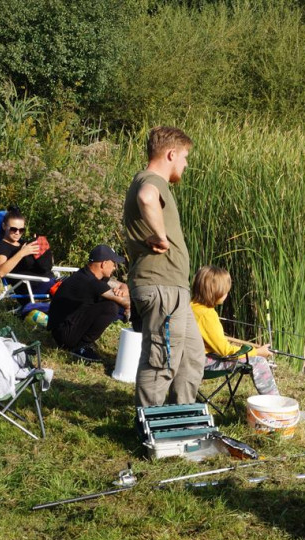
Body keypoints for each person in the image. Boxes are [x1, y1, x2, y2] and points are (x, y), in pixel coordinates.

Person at [122, 126, 204, 407]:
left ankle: (181, 418)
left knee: (192, 356)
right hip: (161, 285)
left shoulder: (154, 182)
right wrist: (160, 236)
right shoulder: (150, 180)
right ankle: (150, 426)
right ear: (171, 154)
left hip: (173, 288)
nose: (186, 164)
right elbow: (146, 197)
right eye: (184, 157)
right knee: (161, 362)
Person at [190, 265, 280, 396]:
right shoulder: (207, 315)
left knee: (252, 356)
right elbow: (226, 352)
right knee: (259, 361)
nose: (227, 294)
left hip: (190, 359)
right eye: (226, 291)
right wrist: (257, 352)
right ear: (216, 291)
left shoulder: (192, 306)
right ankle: (275, 405)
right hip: (202, 363)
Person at [48, 245, 131, 363]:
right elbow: (125, 303)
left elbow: (123, 285)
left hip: (68, 326)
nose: (115, 268)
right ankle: (80, 346)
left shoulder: (90, 275)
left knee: (110, 304)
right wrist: (128, 305)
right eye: (114, 263)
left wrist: (123, 291)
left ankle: (82, 343)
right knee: (110, 307)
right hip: (64, 334)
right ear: (104, 264)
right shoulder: (89, 281)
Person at [0, 205, 56, 296]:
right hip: (30, 288)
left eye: (21, 230)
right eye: (13, 229)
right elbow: (0, 272)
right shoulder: (2, 246)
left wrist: (43, 249)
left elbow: (48, 264)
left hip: (45, 281)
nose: (17, 233)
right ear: (4, 226)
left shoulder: (23, 243)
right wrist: (22, 253)